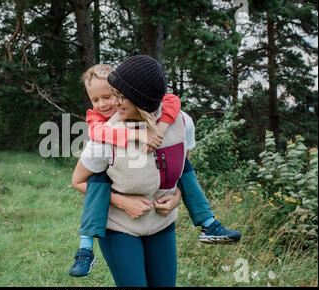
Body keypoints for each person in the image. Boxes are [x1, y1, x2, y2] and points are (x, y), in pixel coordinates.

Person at [69, 60, 241, 278]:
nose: (112, 103)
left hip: (162, 223)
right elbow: (79, 180)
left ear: (141, 99)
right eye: (100, 98)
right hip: (120, 226)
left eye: (118, 96)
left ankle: (208, 224)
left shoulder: (182, 122)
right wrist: (122, 201)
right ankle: (85, 248)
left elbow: (182, 168)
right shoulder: (105, 134)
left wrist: (177, 195)